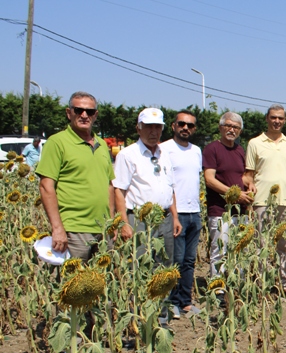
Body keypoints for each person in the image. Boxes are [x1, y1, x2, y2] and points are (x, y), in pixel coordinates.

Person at [36, 91, 115, 261]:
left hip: (102, 229)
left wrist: (111, 223)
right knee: (72, 284)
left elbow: (108, 185)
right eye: (78, 110)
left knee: (101, 283)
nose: (84, 115)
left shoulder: (101, 144)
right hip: (74, 230)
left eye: (90, 112)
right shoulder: (57, 142)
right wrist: (57, 228)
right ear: (68, 113)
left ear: (96, 115)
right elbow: (46, 186)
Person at [244, 104, 286, 294]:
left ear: (284, 120)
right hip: (261, 201)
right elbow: (248, 174)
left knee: (283, 245)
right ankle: (263, 284)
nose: (277, 121)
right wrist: (249, 194)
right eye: (273, 118)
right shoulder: (255, 143)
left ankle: (284, 284)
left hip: (285, 202)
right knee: (262, 244)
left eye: (280, 118)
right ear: (267, 119)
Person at [113, 108, 181, 263]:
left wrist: (175, 217)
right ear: (139, 128)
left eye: (157, 127)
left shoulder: (164, 154)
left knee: (165, 267)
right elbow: (119, 191)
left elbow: (170, 189)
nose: (153, 131)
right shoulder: (128, 155)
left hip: (165, 219)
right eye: (149, 126)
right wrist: (123, 223)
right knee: (141, 265)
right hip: (140, 221)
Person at [161, 110, 202, 318]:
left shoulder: (196, 151)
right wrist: (174, 214)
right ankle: (171, 303)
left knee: (188, 260)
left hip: (194, 211)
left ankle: (185, 301)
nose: (186, 128)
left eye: (190, 125)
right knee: (173, 261)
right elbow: (166, 184)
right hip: (175, 214)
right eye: (182, 124)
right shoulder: (164, 149)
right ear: (174, 126)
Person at [203, 112, 253, 277]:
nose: (232, 130)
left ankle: (238, 286)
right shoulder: (212, 149)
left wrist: (250, 184)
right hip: (220, 210)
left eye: (236, 127)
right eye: (228, 126)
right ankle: (218, 289)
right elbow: (209, 180)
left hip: (240, 210)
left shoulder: (239, 150)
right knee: (220, 250)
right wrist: (235, 194)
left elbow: (243, 176)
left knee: (240, 249)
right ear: (220, 127)